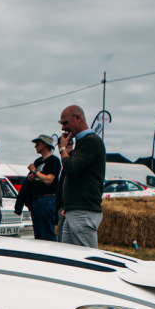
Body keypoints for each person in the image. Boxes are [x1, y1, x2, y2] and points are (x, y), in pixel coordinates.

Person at [57, 105, 106, 248]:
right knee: (68, 257)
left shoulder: (91, 141)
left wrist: (63, 149)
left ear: (78, 118)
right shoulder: (84, 142)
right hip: (75, 210)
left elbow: (71, 170)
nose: (63, 128)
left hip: (83, 212)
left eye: (65, 123)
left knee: (87, 259)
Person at [15, 134, 61, 241]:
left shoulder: (53, 161)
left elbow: (49, 180)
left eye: (38, 144)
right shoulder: (38, 161)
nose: (35, 146)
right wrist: (32, 178)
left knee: (47, 234)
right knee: (38, 235)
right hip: (36, 200)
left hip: (47, 200)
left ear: (45, 145)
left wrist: (35, 171)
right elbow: (36, 179)